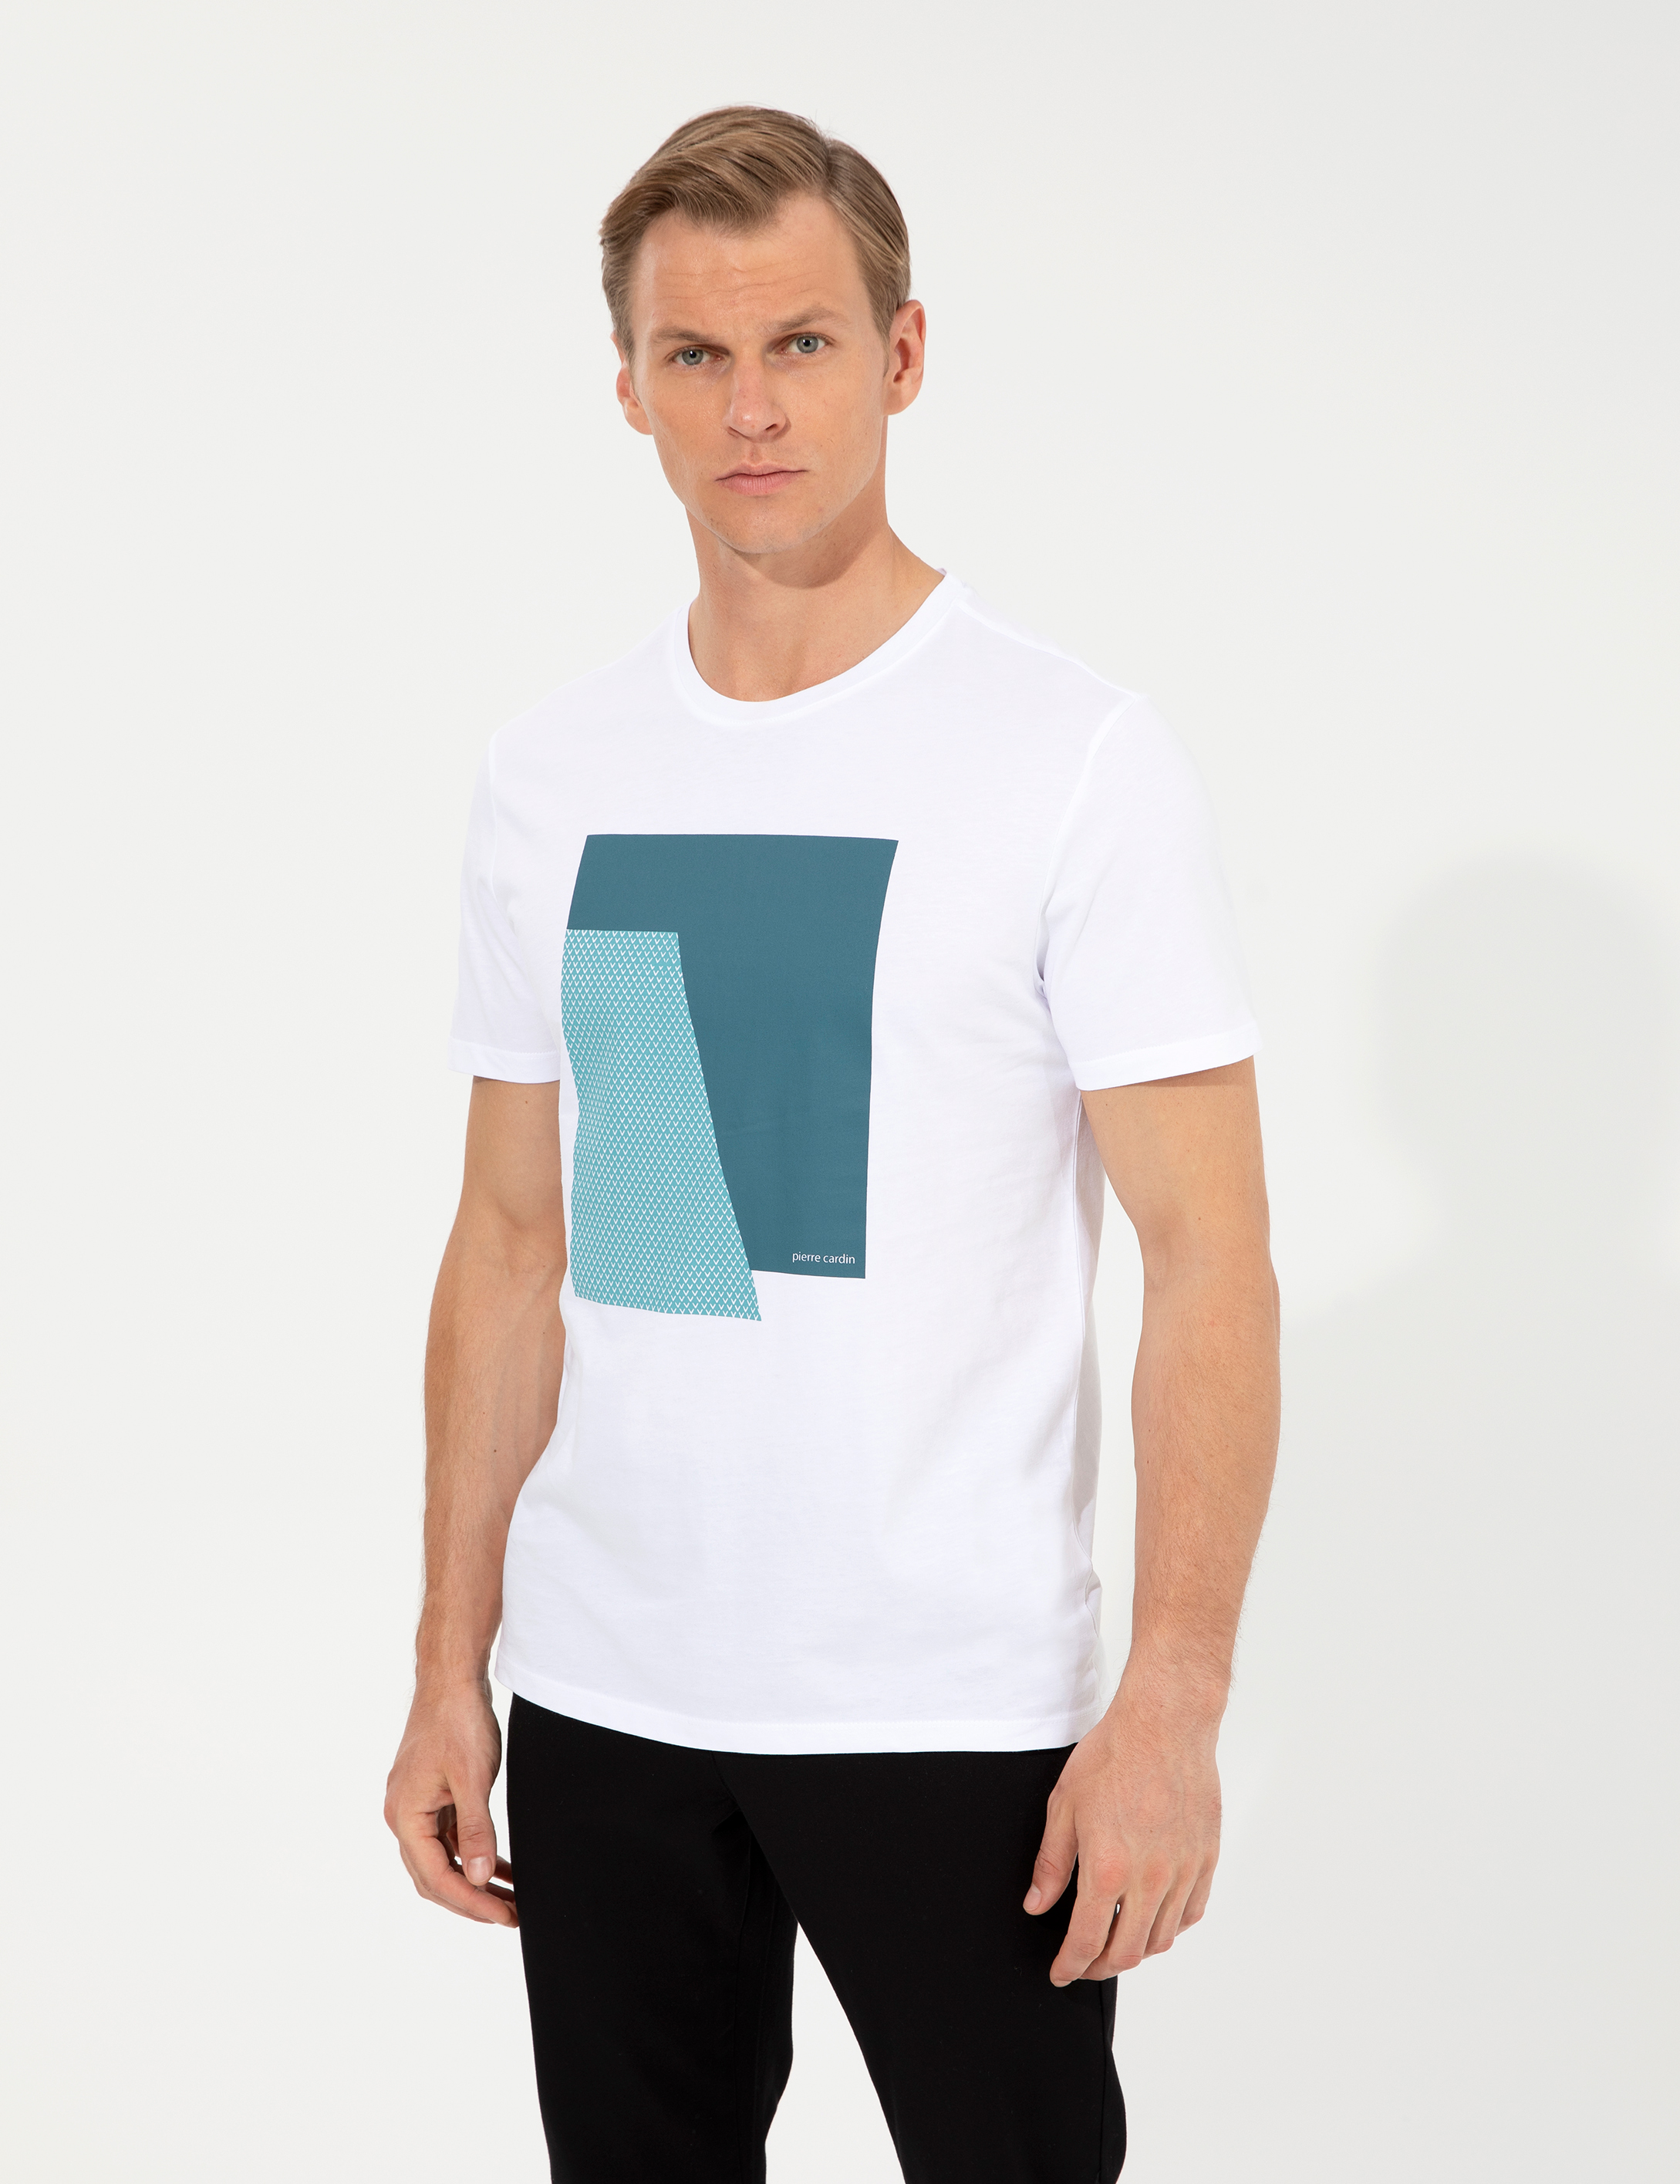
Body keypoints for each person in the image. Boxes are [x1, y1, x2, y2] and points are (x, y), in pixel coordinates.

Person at [384, 105, 1280, 2184]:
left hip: (945, 1701)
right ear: (629, 388)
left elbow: (1208, 1259)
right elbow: (510, 1241)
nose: (752, 407)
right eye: (694, 356)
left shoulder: (1069, 758)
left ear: (903, 355)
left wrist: (1170, 1704)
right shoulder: (552, 773)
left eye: (799, 342)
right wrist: (448, 1663)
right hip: (606, 1693)